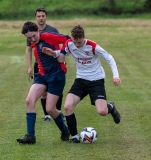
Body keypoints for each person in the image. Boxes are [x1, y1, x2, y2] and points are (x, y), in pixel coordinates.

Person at [42, 25, 121, 143]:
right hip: (81, 80)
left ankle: (111, 107)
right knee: (67, 106)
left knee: (102, 111)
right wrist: (53, 53)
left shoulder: (92, 46)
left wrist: (116, 76)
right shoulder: (69, 44)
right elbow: (64, 54)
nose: (77, 45)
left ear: (84, 37)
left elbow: (109, 58)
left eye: (79, 42)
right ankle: (74, 137)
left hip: (96, 81)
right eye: (75, 42)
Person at [16, 22, 70, 144]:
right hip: (42, 76)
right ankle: (30, 136)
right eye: (29, 38)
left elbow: (68, 39)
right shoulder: (32, 41)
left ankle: (65, 130)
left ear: (38, 31)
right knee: (29, 100)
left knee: (50, 109)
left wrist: (61, 53)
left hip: (56, 76)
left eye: (34, 36)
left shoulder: (49, 36)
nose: (32, 40)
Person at [26, 7, 65, 122]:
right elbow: (28, 49)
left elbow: (61, 44)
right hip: (40, 66)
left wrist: (60, 57)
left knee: (55, 91)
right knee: (43, 92)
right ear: (35, 17)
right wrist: (29, 66)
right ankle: (47, 115)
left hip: (54, 65)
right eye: (38, 16)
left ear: (46, 16)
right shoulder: (31, 31)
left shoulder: (52, 30)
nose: (41, 18)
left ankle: (57, 112)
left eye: (43, 16)